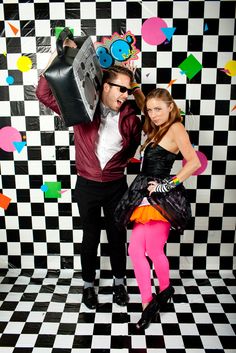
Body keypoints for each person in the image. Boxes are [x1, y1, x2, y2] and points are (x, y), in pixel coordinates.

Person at [36, 38, 145, 310]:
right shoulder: (81, 109)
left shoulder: (132, 116)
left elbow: (136, 144)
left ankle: (120, 284)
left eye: (127, 91)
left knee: (117, 236)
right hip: (86, 187)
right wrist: (60, 54)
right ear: (105, 86)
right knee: (90, 238)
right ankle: (88, 287)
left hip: (117, 186)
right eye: (120, 89)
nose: (124, 95)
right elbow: (43, 94)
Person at [115, 88, 201, 329]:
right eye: (150, 110)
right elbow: (145, 106)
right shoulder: (154, 129)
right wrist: (135, 88)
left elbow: (193, 162)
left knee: (152, 250)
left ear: (171, 108)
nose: (153, 114)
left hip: (161, 199)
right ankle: (154, 298)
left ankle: (158, 295)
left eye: (158, 109)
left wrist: (167, 185)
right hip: (143, 194)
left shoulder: (175, 128)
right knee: (136, 250)